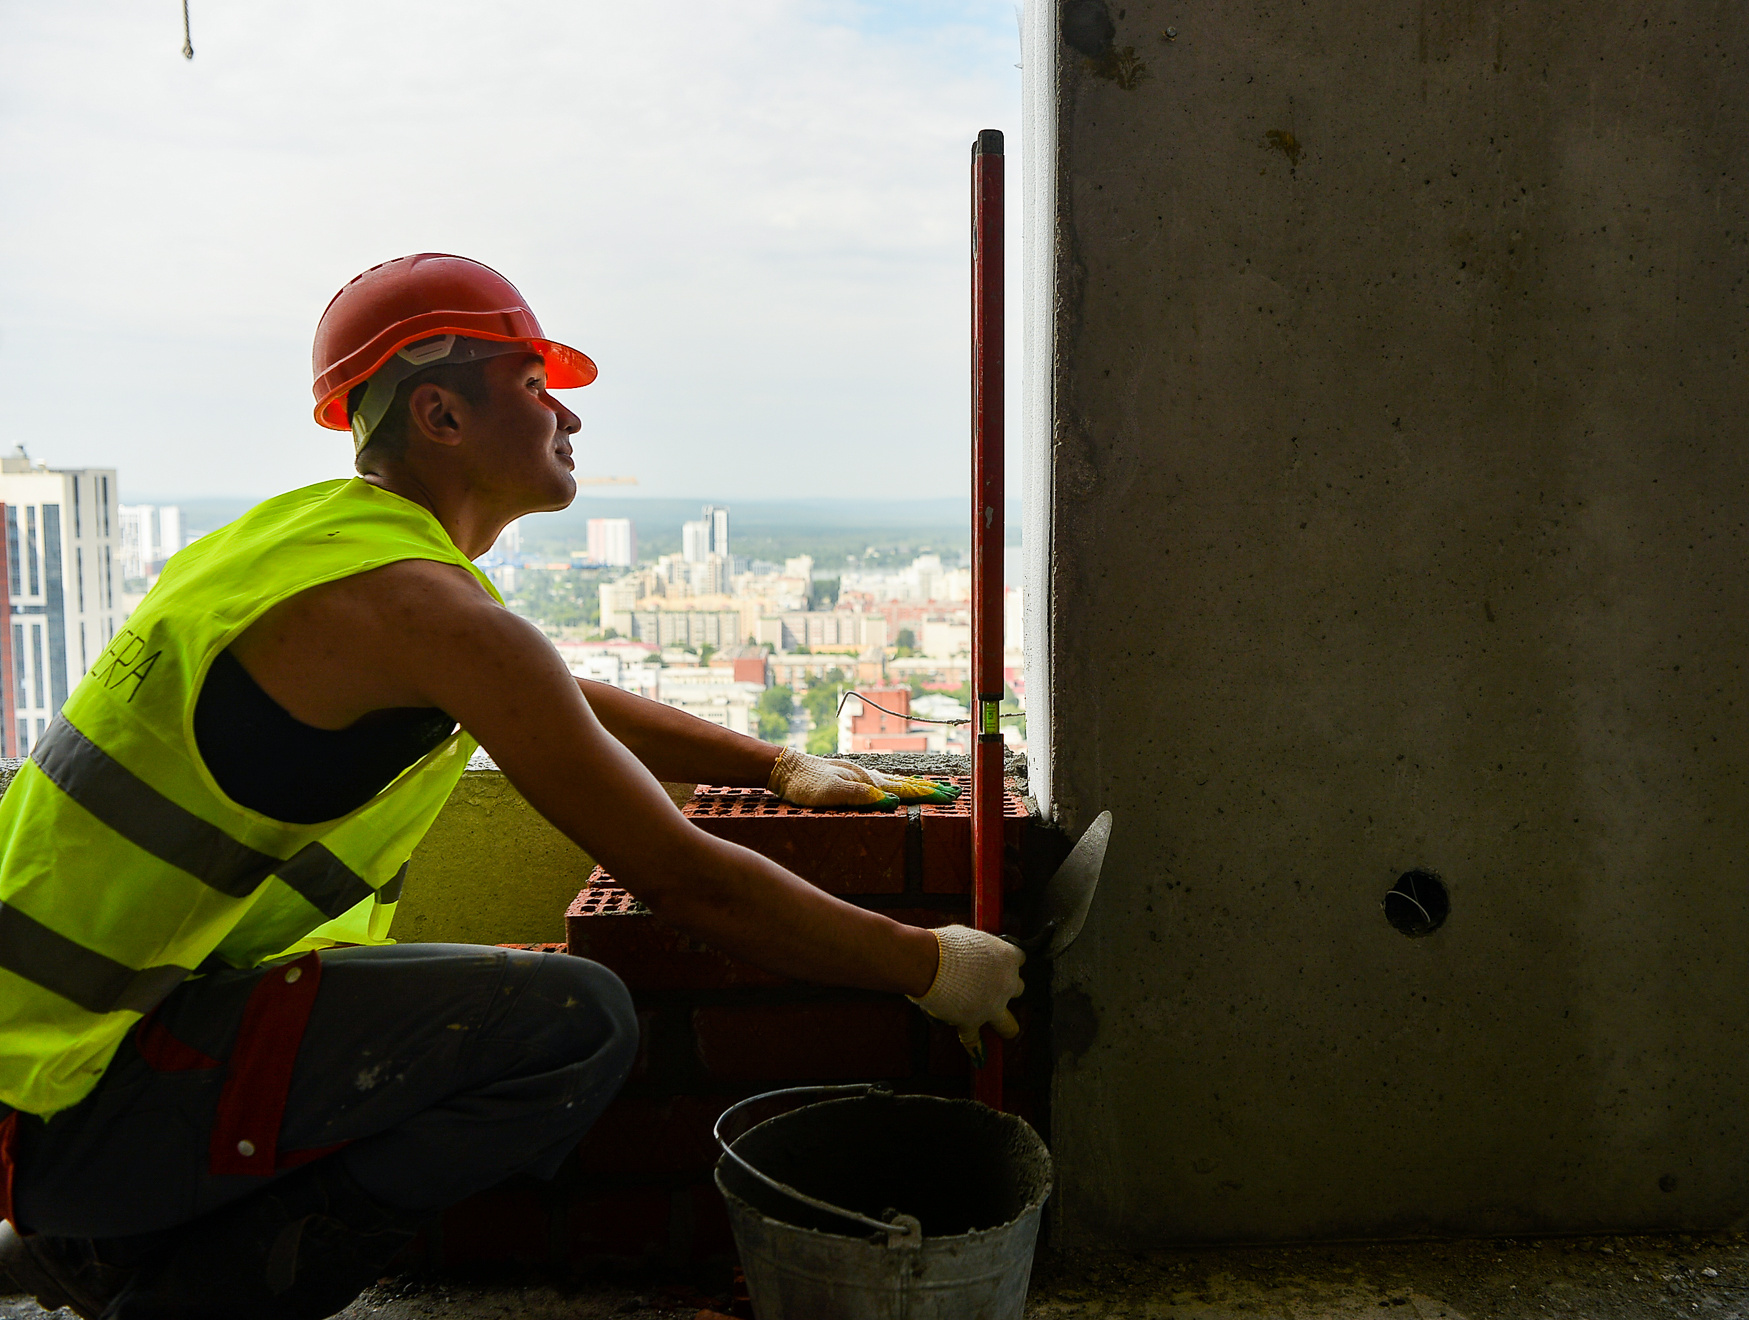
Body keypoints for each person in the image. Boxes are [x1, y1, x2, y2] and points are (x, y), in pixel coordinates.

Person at [0, 253, 1025, 1320]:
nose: (569, 419)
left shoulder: (310, 548)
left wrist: (774, 764)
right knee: (570, 1021)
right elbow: (685, 879)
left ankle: (90, 1246)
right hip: (74, 1097)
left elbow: (549, 689)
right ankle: (175, 1293)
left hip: (46, 1061)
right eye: (535, 388)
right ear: (440, 414)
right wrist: (931, 966)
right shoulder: (424, 612)